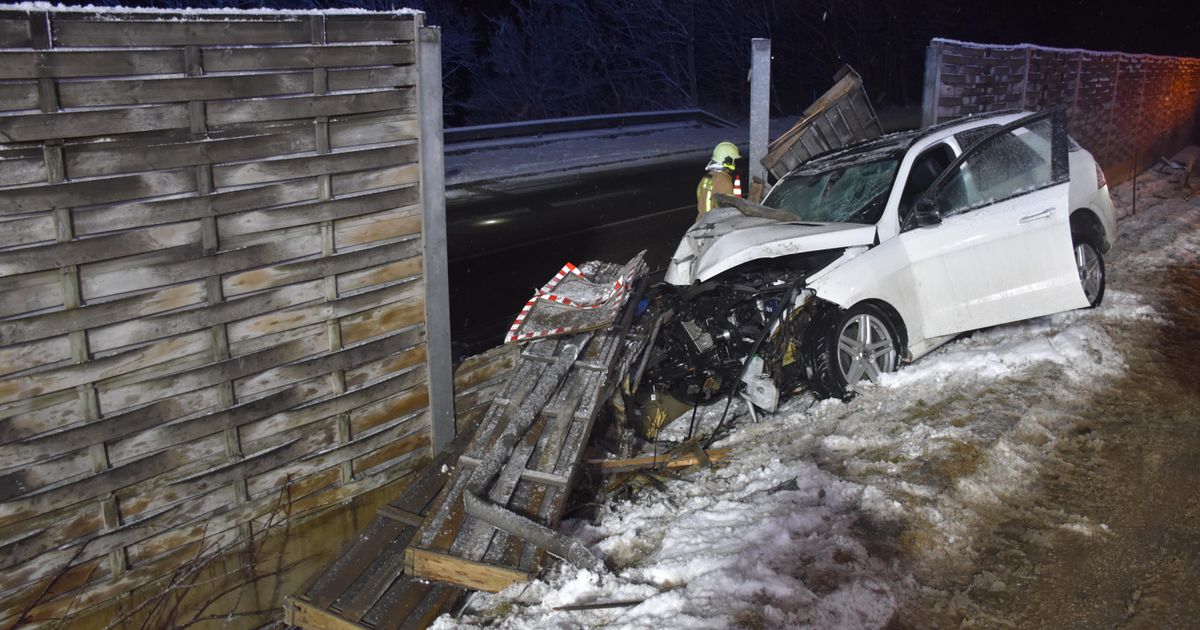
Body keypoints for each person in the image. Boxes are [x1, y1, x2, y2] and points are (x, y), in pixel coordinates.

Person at [695, 141, 741, 221]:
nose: (734, 164)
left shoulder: (707, 177)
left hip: (700, 223)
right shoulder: (724, 182)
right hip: (714, 226)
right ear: (728, 161)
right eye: (734, 161)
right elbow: (728, 211)